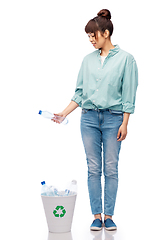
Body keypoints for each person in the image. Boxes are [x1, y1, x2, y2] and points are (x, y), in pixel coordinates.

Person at [52, 9, 138, 231]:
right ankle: (96, 216)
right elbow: (80, 94)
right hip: (88, 119)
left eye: (94, 36)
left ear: (106, 33)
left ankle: (109, 216)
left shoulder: (126, 60)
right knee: (93, 169)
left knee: (111, 168)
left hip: (113, 119)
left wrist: (125, 123)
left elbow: (128, 95)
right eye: (89, 37)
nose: (91, 40)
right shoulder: (87, 61)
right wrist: (63, 113)